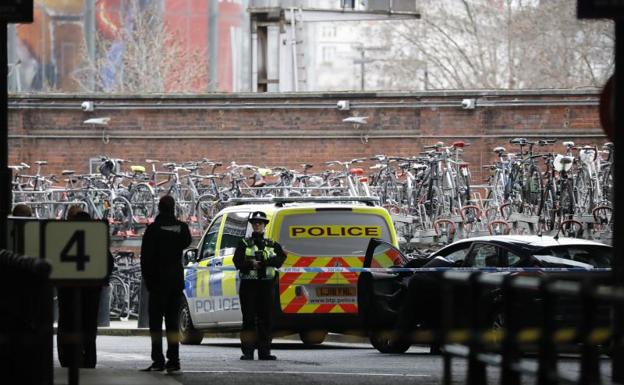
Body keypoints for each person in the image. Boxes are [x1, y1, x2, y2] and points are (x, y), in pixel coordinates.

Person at [56, 208, 114, 368]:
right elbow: (108, 262)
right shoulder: (96, 236)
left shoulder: (62, 234)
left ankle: (67, 359)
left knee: (67, 323)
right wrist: (102, 281)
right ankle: (89, 359)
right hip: (91, 289)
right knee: (88, 325)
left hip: (67, 288)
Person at [140, 195, 191, 374]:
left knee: (155, 324)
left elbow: (145, 258)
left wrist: (149, 281)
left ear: (159, 209)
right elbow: (186, 242)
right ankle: (174, 360)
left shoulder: (152, 230)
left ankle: (158, 360)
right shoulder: (182, 228)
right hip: (175, 282)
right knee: (172, 324)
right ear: (173, 208)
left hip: (157, 283)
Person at [233, 211, 286, 361]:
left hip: (266, 286)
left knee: (266, 319)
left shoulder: (271, 244)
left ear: (264, 226)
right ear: (252, 225)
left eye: (260, 223)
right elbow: (237, 262)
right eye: (255, 223)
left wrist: (267, 262)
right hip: (249, 286)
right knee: (248, 319)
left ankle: (264, 351)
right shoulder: (243, 243)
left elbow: (281, 258)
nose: (257, 225)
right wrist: (251, 263)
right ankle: (248, 352)